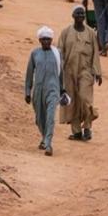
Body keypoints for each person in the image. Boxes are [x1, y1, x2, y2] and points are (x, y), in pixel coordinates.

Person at [58, 6, 103, 141]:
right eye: (77, 13)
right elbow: (60, 53)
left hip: (86, 71)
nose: (80, 16)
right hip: (69, 71)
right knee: (73, 102)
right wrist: (58, 72)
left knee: (85, 99)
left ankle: (88, 126)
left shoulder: (90, 33)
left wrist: (98, 72)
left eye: (82, 14)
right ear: (73, 15)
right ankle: (77, 131)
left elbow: (95, 53)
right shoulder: (65, 32)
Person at [25, 26, 66, 156]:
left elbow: (61, 73)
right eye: (44, 39)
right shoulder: (35, 53)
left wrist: (62, 89)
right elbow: (29, 73)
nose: (47, 42)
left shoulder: (57, 53)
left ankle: (48, 144)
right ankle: (44, 138)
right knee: (39, 118)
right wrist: (27, 91)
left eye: (49, 39)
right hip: (38, 90)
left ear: (51, 39)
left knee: (50, 117)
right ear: (40, 40)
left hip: (53, 89)